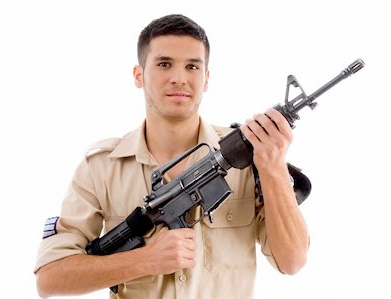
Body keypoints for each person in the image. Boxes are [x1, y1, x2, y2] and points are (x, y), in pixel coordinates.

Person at [34, 14, 309, 299]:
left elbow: (292, 262)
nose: (179, 78)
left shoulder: (252, 156)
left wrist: (273, 167)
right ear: (138, 75)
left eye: (192, 66)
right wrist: (145, 260)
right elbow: (50, 279)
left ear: (206, 79)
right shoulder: (102, 167)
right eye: (164, 64)